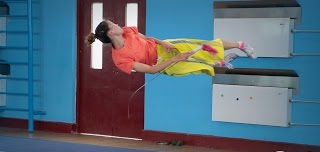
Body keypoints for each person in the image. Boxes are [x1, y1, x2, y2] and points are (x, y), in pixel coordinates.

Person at [86, 20, 256, 76]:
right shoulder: (119, 59)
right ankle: (221, 62)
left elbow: (146, 38)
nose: (116, 23)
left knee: (202, 46)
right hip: (163, 64)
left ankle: (240, 45)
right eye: (112, 24)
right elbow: (151, 70)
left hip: (165, 48)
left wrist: (163, 43)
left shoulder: (127, 31)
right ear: (110, 34)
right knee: (196, 66)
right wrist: (175, 59)